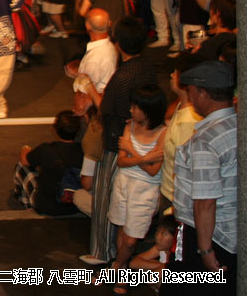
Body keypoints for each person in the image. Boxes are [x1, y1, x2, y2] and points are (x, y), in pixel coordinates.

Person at [78, 17, 156, 266]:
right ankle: (120, 253)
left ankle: (101, 251)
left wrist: (89, 87)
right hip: (143, 142)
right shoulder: (147, 68)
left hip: (115, 144)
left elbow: (105, 108)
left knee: (105, 200)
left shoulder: (122, 77)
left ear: (118, 43)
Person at [164, 61, 237, 296]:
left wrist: (205, 251)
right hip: (230, 229)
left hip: (209, 235)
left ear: (204, 94)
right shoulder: (235, 124)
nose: (190, 97)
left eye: (192, 91)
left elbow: (205, 201)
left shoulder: (206, 140)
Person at [108, 84, 167, 294]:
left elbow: (153, 172)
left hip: (145, 190)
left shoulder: (163, 133)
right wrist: (145, 158)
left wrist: (132, 151)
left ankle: (117, 266)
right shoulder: (130, 126)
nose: (131, 110)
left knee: (132, 238)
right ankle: (121, 269)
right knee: (122, 229)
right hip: (123, 182)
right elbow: (122, 162)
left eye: (135, 107)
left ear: (148, 109)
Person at [15, 111, 83, 216]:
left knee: (21, 167)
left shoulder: (46, 149)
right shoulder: (83, 151)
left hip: (47, 206)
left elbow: (25, 161)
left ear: (55, 129)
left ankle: (28, 208)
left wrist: (25, 148)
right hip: (74, 207)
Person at [159, 53, 204, 208]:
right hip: (169, 191)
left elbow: (187, 170)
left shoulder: (188, 121)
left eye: (175, 72)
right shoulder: (180, 106)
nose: (171, 75)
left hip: (176, 198)